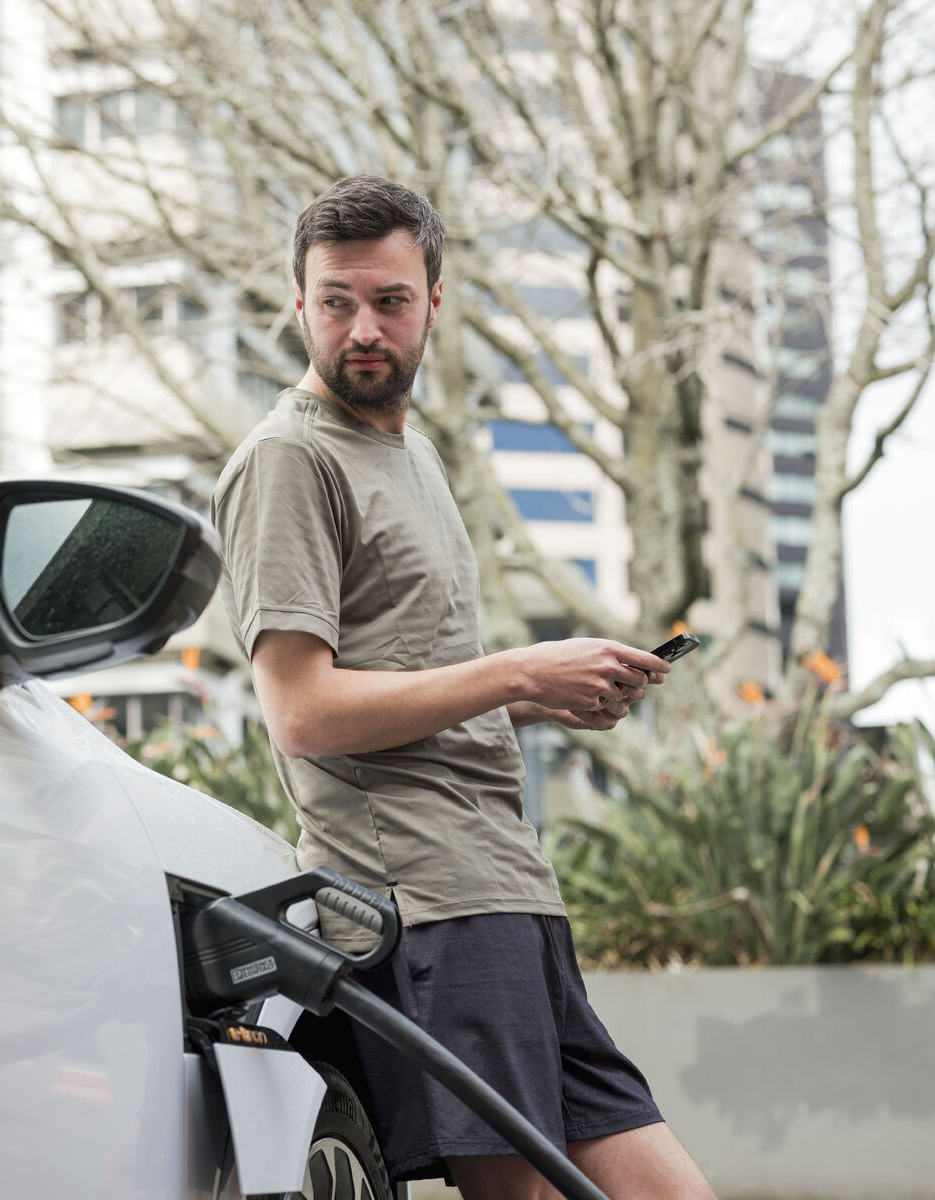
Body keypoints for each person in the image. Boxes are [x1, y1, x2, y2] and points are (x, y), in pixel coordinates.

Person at [211, 176, 715, 1200]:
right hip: (425, 897)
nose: (362, 327)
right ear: (298, 303)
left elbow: (410, 678)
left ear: (433, 301)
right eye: (336, 300)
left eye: (389, 300)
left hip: (509, 887)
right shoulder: (288, 462)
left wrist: (549, 694)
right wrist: (518, 669)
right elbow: (302, 712)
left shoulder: (415, 454)